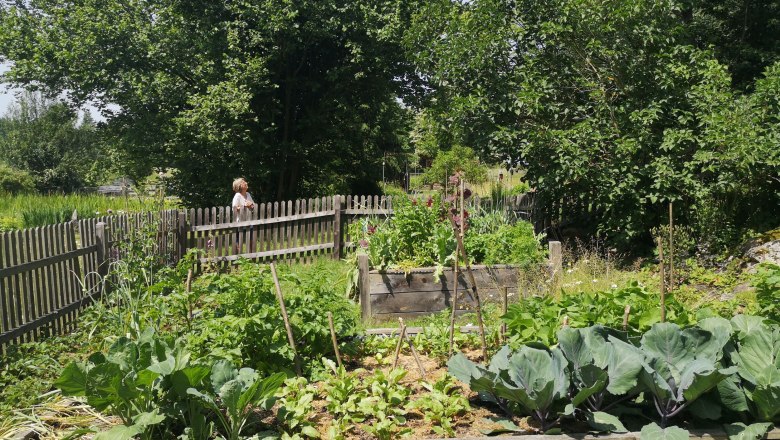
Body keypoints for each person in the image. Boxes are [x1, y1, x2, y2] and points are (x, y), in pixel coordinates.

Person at [231, 178, 255, 253]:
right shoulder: (237, 195)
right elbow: (234, 208)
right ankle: (238, 258)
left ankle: (251, 257)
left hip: (248, 221)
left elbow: (252, 205)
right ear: (239, 186)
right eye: (244, 182)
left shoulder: (248, 194)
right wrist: (244, 206)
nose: (246, 183)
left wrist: (251, 205)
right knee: (238, 241)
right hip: (240, 222)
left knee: (251, 240)